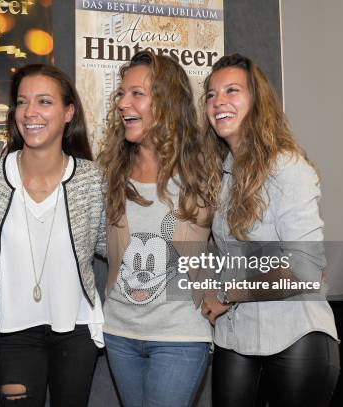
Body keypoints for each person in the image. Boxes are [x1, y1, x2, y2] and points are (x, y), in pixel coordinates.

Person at [200, 53, 340, 407]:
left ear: (257, 101)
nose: (219, 102)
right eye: (211, 95)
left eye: (232, 90)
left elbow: (304, 268)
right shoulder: (221, 175)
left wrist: (229, 295)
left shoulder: (288, 168)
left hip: (296, 335)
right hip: (236, 335)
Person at [0, 64, 106, 406]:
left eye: (44, 102)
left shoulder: (93, 179)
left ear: (68, 112)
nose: (30, 112)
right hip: (11, 332)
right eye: (22, 102)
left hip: (75, 330)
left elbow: (119, 247)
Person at [97, 50, 218, 407]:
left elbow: (237, 237)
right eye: (121, 93)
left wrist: (223, 291)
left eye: (137, 93)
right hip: (119, 332)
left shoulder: (203, 172)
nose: (123, 103)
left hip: (180, 334)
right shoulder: (111, 173)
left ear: (166, 101)